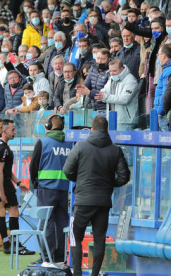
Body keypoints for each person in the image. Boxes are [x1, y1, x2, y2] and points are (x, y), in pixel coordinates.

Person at [63, 115, 130, 276]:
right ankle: (95, 274)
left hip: (83, 200)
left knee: (75, 237)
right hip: (103, 202)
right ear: (107, 130)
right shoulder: (115, 149)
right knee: (99, 239)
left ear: (91, 130)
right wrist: (108, 183)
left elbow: (67, 170)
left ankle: (77, 273)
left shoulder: (80, 146)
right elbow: (124, 176)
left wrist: (79, 181)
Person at [29, 115, 72, 264]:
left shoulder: (43, 142)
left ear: (47, 125)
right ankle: (60, 258)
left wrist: (34, 183)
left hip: (46, 188)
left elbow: (33, 166)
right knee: (62, 224)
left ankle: (46, 257)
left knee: (45, 223)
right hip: (65, 189)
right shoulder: (70, 143)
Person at [0, 119, 31, 254]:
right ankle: (12, 244)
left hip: (2, 183)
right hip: (1, 184)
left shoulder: (2, 145)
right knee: (12, 212)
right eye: (12, 130)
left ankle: (8, 243)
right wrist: (2, 192)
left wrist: (18, 182)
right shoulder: (1, 147)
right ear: (4, 131)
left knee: (0, 213)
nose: (14, 132)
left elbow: (6, 170)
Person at [94, 59, 138, 131]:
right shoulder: (111, 79)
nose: (112, 73)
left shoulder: (131, 80)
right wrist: (100, 94)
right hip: (111, 119)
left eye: (114, 71)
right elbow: (105, 90)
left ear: (122, 69)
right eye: (110, 71)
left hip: (125, 121)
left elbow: (124, 99)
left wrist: (105, 97)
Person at [78, 48, 111, 113]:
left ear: (108, 60)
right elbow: (86, 84)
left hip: (106, 108)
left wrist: (90, 92)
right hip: (94, 107)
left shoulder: (110, 72)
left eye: (103, 59)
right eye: (98, 58)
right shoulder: (93, 69)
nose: (100, 61)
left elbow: (106, 92)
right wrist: (81, 89)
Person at [154, 44, 171, 131]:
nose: (158, 58)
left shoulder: (169, 71)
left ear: (163, 56)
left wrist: (160, 111)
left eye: (158, 55)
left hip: (164, 113)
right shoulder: (168, 69)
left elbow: (166, 93)